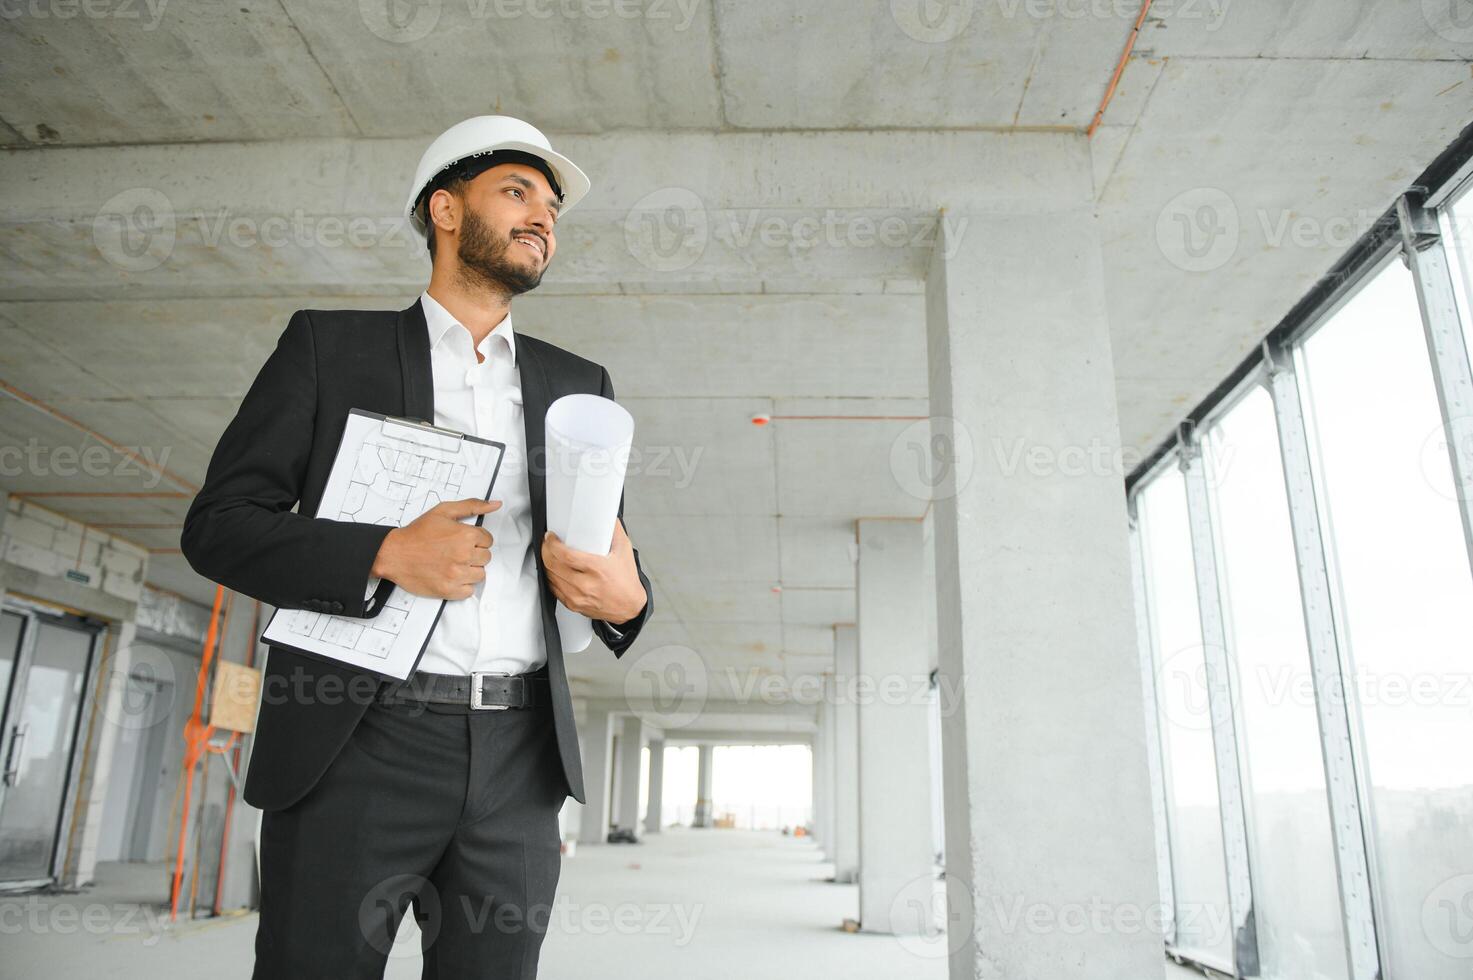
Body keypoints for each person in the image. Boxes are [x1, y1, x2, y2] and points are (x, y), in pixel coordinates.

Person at [180, 115, 654, 979]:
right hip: (357, 740)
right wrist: (381, 555)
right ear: (443, 208)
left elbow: (614, 558)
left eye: (551, 206)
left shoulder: (577, 385)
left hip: (518, 759)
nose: (543, 216)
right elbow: (218, 526)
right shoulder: (328, 349)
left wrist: (629, 604)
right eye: (517, 192)